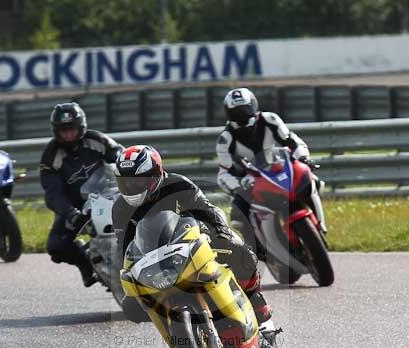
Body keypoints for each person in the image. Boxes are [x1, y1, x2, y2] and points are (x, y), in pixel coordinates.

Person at [111, 145, 274, 329]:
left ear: (155, 175)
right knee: (131, 308)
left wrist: (222, 231)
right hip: (155, 259)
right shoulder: (120, 208)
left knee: (241, 252)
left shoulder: (178, 185)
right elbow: (125, 248)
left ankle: (255, 299)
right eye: (125, 182)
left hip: (195, 242)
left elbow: (207, 209)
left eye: (137, 181)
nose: (131, 187)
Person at [39, 102, 122, 287]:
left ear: (81, 127)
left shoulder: (97, 140)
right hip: (78, 207)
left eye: (72, 129)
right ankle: (86, 264)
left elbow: (120, 156)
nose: (68, 134)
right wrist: (71, 213)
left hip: (108, 194)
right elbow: (53, 194)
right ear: (56, 131)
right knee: (56, 246)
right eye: (63, 130)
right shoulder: (51, 156)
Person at [215, 87, 311, 245]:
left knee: (311, 179)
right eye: (237, 113)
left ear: (254, 106)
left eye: (246, 110)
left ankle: (319, 224)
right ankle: (257, 249)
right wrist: (240, 185)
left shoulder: (270, 119)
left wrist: (302, 156)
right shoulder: (225, 139)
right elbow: (223, 175)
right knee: (238, 214)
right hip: (251, 182)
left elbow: (291, 140)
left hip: (277, 169)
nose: (242, 116)